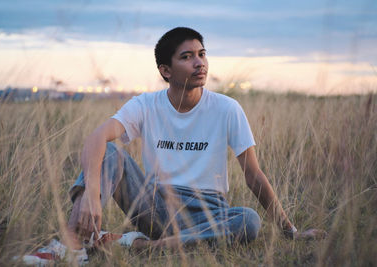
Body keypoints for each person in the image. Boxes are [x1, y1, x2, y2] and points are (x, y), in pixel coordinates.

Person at [19, 27, 326, 265]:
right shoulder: (147, 105)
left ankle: (140, 246)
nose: (199, 63)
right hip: (154, 206)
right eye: (187, 57)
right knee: (111, 152)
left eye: (202, 54)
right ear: (166, 70)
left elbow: (254, 175)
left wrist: (291, 231)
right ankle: (72, 247)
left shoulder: (227, 109)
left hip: (208, 213)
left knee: (248, 220)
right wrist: (91, 194)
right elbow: (96, 137)